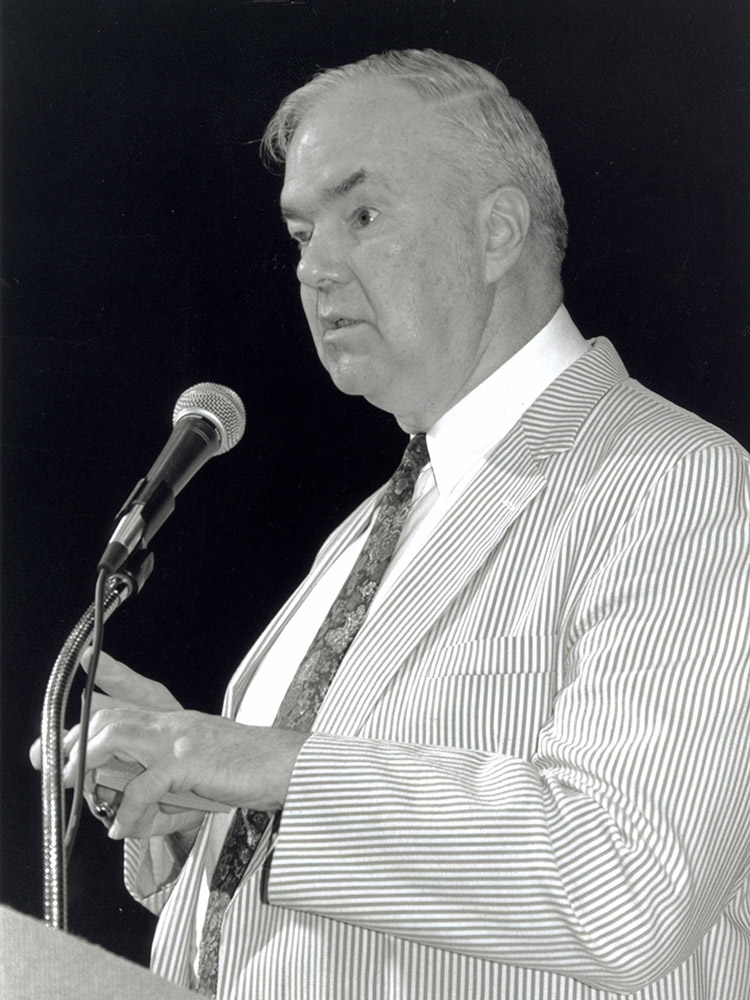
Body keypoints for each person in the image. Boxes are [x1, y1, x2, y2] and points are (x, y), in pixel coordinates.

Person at [33, 49, 750, 999]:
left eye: (361, 216)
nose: (314, 270)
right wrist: (201, 809)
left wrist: (266, 763)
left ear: (497, 233)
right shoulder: (375, 527)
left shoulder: (671, 480)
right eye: (299, 234)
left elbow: (627, 880)